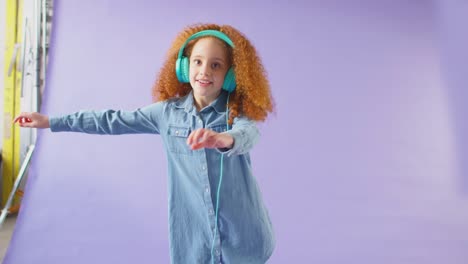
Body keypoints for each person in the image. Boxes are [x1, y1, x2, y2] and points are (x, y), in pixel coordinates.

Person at [15, 23, 275, 264]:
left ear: (231, 75)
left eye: (216, 65)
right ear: (184, 67)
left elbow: (248, 134)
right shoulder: (166, 113)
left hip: (243, 236)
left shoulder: (236, 113)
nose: (205, 71)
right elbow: (111, 120)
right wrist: (50, 121)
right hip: (194, 241)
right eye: (198, 61)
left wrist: (222, 139)